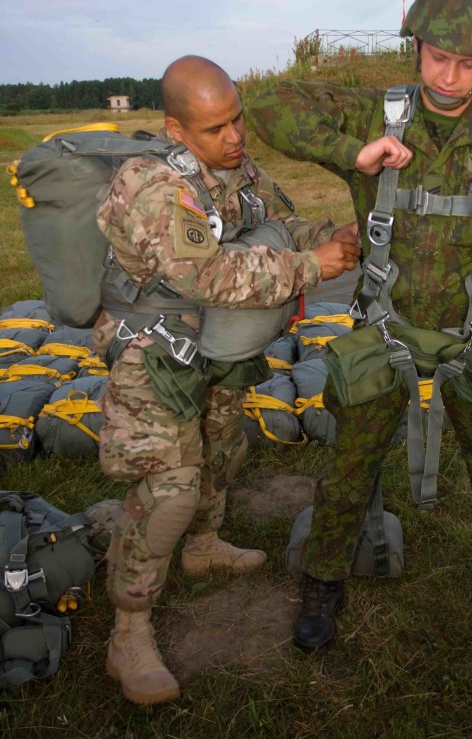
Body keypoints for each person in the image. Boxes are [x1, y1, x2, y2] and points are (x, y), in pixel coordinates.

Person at [250, 0, 472, 669]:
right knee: (349, 467)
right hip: (386, 329)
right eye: (438, 57)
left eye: (468, 63)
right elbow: (267, 106)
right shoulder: (381, 118)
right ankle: (323, 583)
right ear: (415, 46)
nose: (450, 75)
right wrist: (356, 153)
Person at [92, 55, 361, 705]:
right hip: (149, 346)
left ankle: (204, 547)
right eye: (216, 128)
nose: (236, 137)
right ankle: (128, 632)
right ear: (177, 129)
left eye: (238, 118)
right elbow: (204, 275)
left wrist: (336, 236)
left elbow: (281, 221)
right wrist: (310, 267)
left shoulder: (238, 168)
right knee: (170, 490)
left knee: (221, 445)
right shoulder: (153, 183)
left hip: (209, 336)